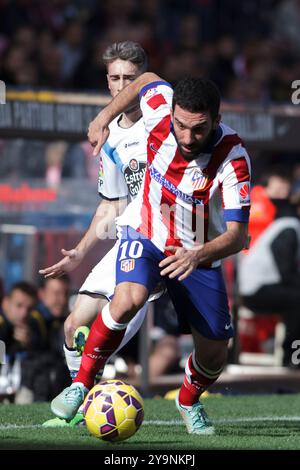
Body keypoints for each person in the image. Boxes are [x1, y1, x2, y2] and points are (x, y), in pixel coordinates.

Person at [51, 72, 251, 435]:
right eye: (181, 126)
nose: (187, 138)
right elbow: (145, 79)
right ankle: (81, 383)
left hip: (198, 253)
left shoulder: (233, 157)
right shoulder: (159, 109)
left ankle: (188, 401)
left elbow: (238, 236)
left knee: (214, 354)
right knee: (128, 299)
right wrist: (102, 117)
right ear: (171, 112)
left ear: (216, 121)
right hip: (145, 234)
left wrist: (196, 255)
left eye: (199, 129)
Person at [40, 41, 160, 425]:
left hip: (170, 241)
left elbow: (153, 82)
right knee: (74, 325)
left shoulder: (163, 117)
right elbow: (112, 204)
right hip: (131, 239)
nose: (122, 85)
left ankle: (189, 399)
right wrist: (79, 251)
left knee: (106, 330)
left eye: (130, 78)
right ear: (107, 81)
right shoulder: (110, 140)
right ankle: (83, 404)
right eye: (115, 78)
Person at [238, 192, 300, 367]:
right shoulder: (289, 227)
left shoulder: (287, 225)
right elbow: (286, 271)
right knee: (297, 300)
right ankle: (292, 357)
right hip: (254, 291)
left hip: (261, 288)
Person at [0, 282, 47, 402]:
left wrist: (29, 345)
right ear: (5, 303)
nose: (24, 313)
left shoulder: (35, 323)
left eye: (29, 308)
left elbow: (47, 357)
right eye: (19, 306)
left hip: (23, 387)